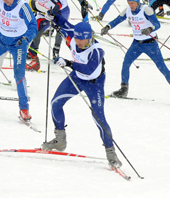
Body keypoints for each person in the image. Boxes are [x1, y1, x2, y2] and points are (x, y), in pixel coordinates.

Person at [42, 21, 123, 169]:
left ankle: (111, 153)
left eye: (81, 39)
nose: (77, 42)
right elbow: (62, 23)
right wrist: (53, 18)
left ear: (88, 37)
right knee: (55, 103)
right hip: (77, 78)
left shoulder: (97, 50)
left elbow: (89, 69)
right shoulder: (73, 37)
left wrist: (67, 62)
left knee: (98, 117)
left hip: (94, 83)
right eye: (76, 38)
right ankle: (60, 140)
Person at [100, 0, 170, 109]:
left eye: (133, 3)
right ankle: (123, 89)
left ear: (138, 2)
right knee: (126, 63)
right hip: (137, 44)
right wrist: (107, 27)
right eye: (129, 3)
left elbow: (157, 24)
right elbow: (117, 20)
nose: (131, 5)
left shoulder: (146, 10)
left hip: (150, 44)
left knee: (162, 68)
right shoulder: (128, 11)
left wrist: (150, 29)